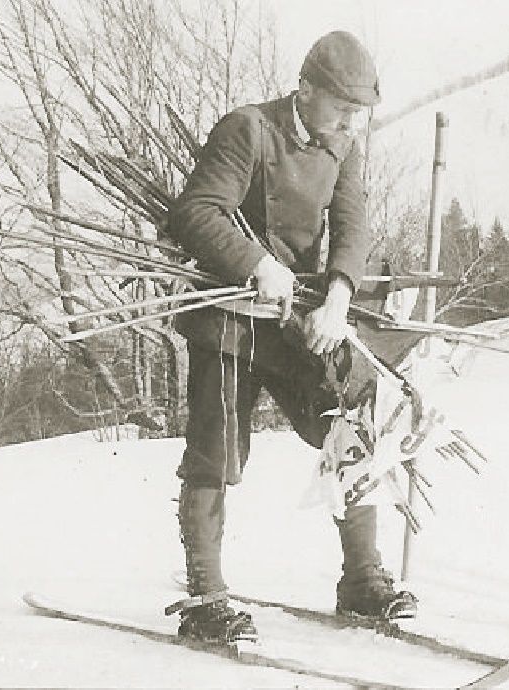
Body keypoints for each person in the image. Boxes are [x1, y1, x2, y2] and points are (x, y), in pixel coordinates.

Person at [167, 30, 417, 645]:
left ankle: (361, 580)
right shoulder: (249, 129)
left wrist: (339, 295)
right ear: (305, 90)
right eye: (341, 108)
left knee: (354, 417)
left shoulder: (342, 145)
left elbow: (352, 224)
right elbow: (197, 210)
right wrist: (256, 263)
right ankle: (206, 599)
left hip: (296, 318)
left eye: (357, 112)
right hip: (229, 317)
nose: (349, 123)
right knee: (217, 449)